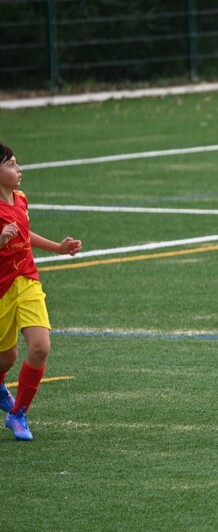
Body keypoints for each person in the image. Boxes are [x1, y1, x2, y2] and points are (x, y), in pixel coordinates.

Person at [0, 143, 82, 441]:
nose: (19, 169)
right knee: (6, 358)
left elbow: (24, 233)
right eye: (11, 164)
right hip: (2, 289)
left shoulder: (20, 198)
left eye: (16, 163)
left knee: (40, 347)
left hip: (27, 281)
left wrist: (57, 248)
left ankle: (18, 413)